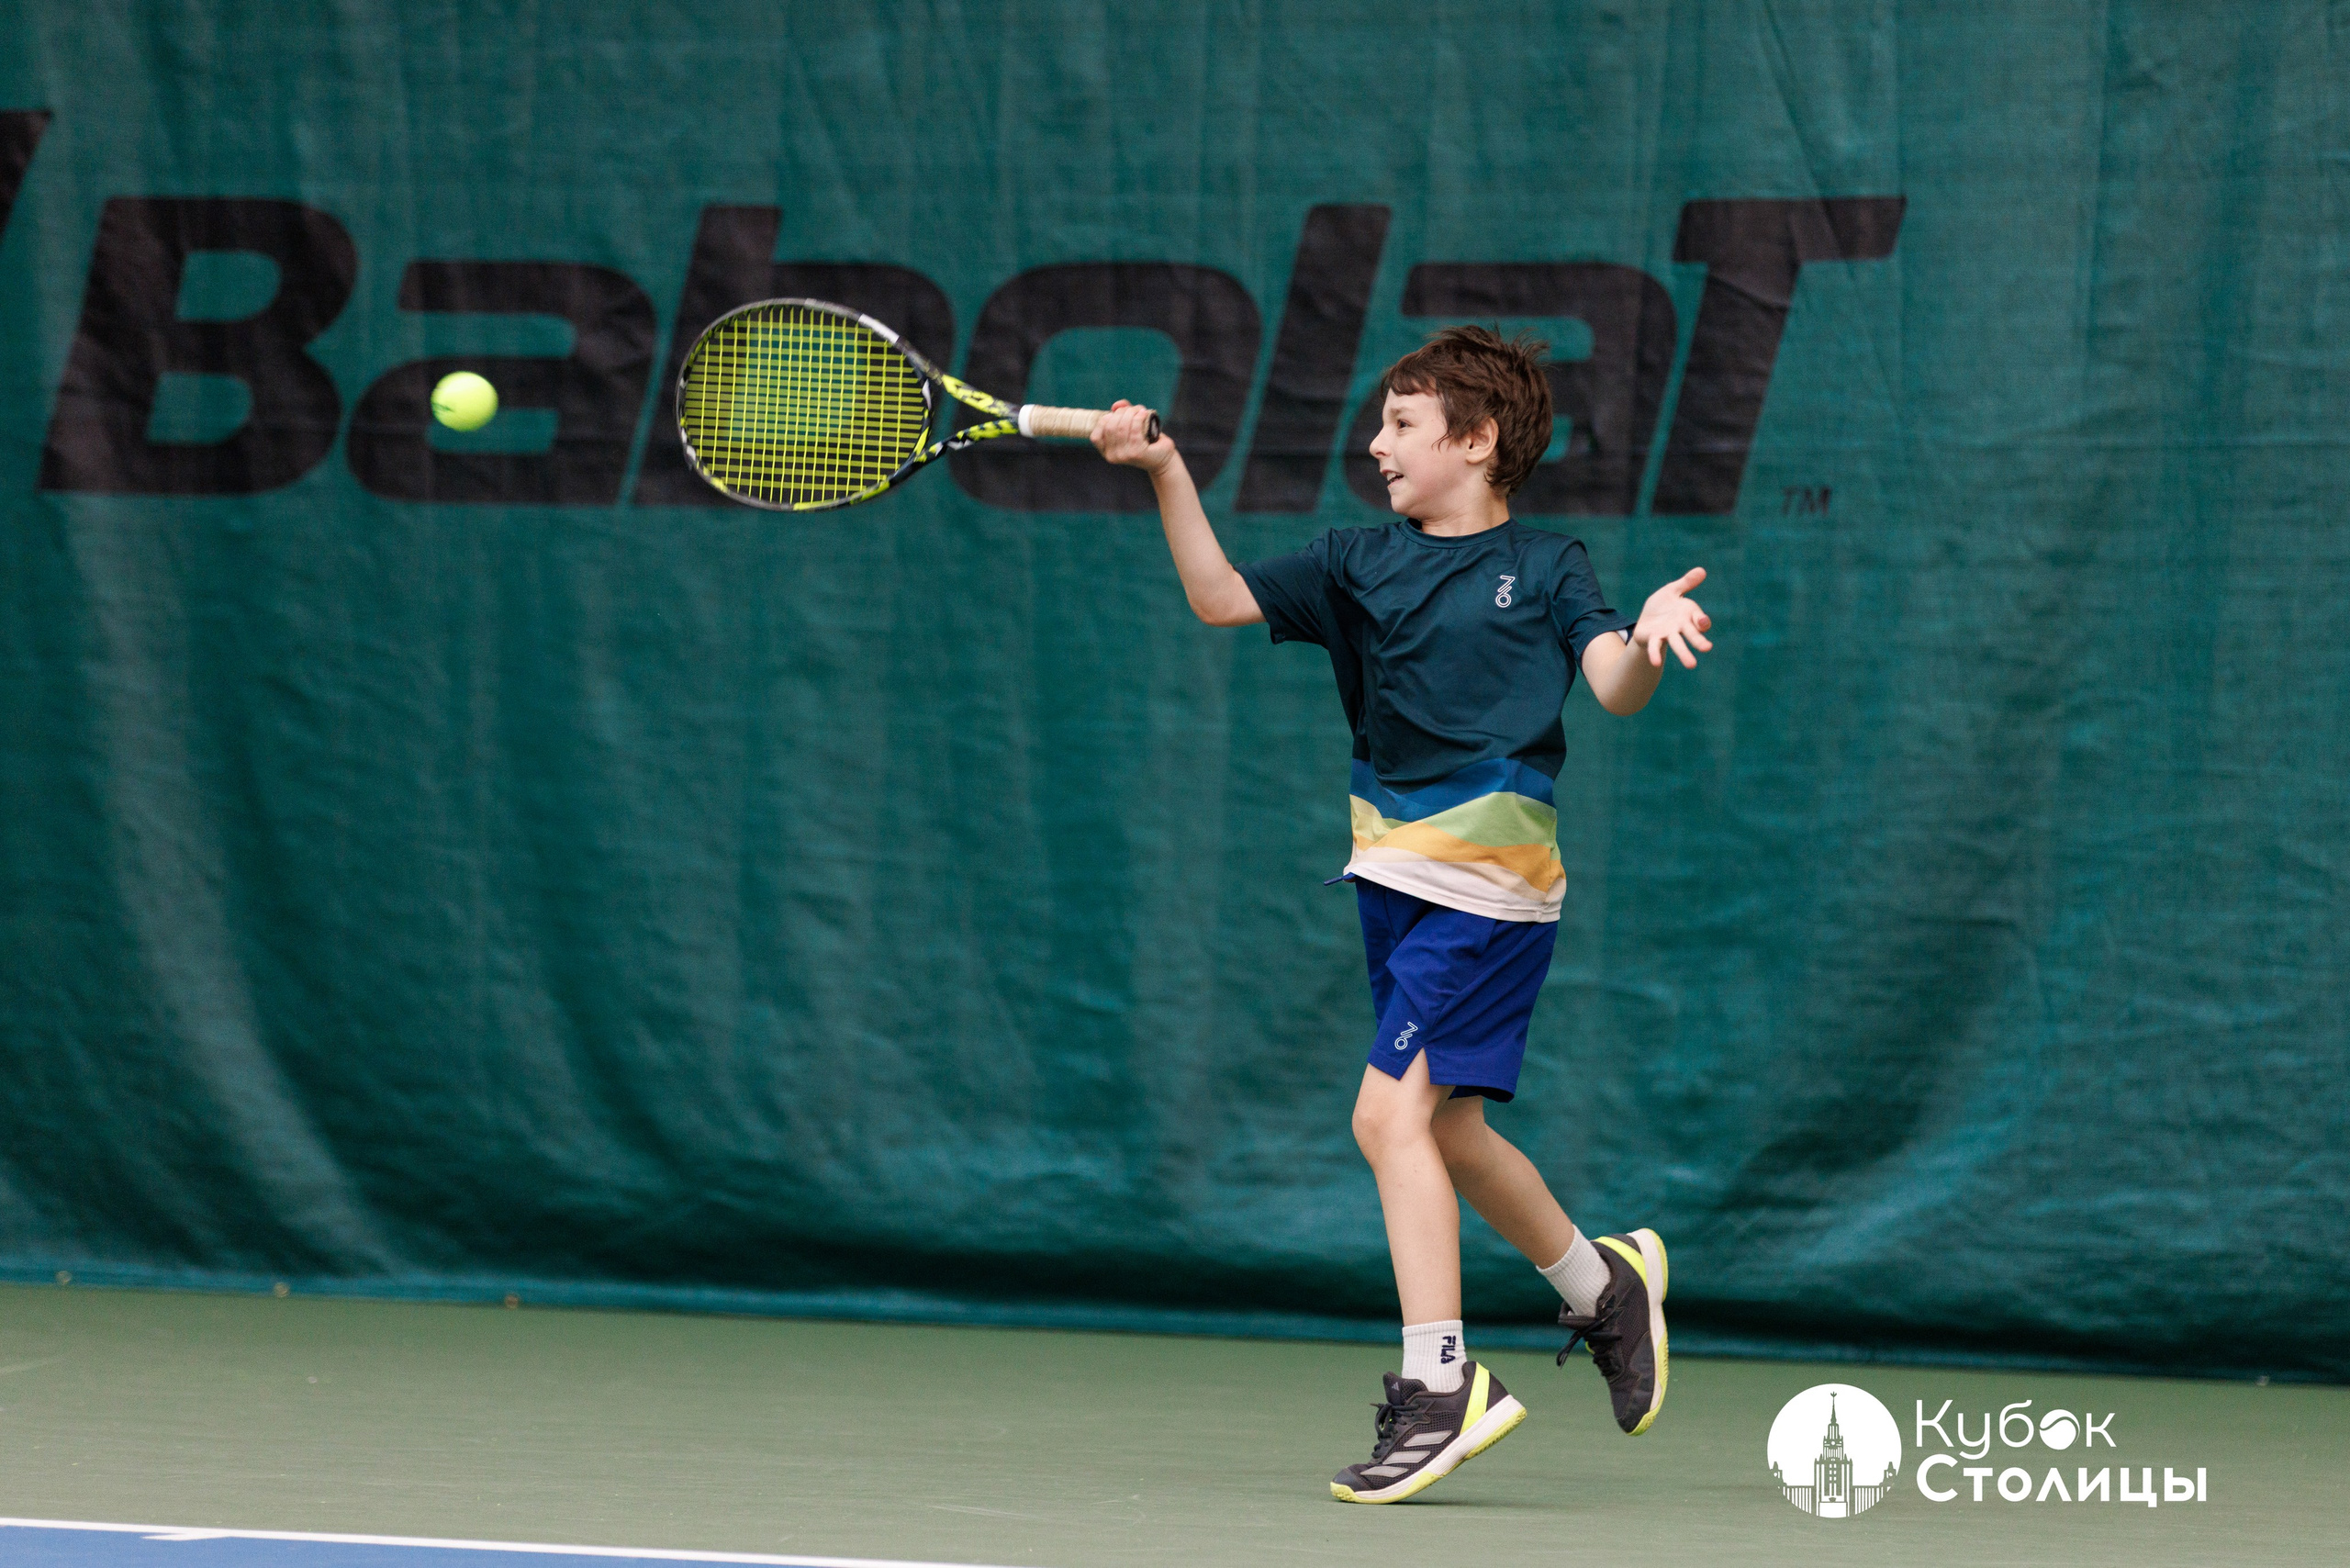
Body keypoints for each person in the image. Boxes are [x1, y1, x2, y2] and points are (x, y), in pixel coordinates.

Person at [1091, 325, 1713, 1504]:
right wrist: (1166, 469)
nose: (1375, 444)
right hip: (1390, 882)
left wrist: (1641, 638)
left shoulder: (1547, 565)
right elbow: (1218, 598)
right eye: (1380, 422)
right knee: (1451, 1130)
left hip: (1493, 890)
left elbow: (1612, 684)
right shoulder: (1352, 562)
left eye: (1402, 424)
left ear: (1476, 441)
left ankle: (1440, 1385)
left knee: (1386, 1118)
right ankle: (1604, 1289)